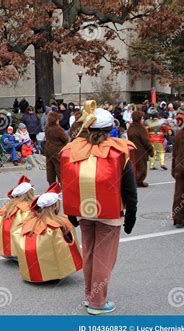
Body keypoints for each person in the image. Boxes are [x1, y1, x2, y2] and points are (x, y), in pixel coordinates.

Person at [60, 102, 137, 315]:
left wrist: (71, 212)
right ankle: (97, 303)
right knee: (104, 257)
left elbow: (67, 182)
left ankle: (89, 295)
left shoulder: (72, 149)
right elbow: (129, 188)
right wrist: (132, 213)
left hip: (83, 212)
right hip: (110, 214)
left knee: (90, 253)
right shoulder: (119, 149)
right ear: (109, 128)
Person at [13, 189, 82, 283]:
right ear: (54, 207)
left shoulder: (30, 221)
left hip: (30, 276)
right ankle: (54, 272)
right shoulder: (58, 224)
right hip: (53, 272)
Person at [0, 175, 35, 259]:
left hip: (6, 250)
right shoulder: (28, 208)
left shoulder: (7, 207)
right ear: (29, 193)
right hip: (20, 250)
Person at [127, 111, 154, 187]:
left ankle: (135, 181)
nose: (143, 120)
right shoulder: (141, 128)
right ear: (138, 119)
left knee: (134, 167)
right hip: (140, 151)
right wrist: (151, 151)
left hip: (131, 150)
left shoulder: (130, 128)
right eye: (142, 118)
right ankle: (137, 181)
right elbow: (146, 141)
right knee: (142, 168)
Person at [44, 112, 69, 184]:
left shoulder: (47, 128)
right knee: (59, 167)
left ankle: (52, 184)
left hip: (48, 149)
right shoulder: (58, 129)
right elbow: (66, 139)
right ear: (56, 120)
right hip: (57, 150)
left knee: (50, 168)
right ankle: (63, 184)